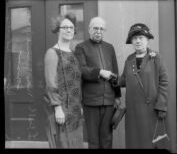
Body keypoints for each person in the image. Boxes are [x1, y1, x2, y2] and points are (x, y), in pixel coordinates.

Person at [112, 23, 169, 149]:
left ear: (147, 40)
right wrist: (115, 79)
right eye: (134, 38)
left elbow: (164, 82)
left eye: (141, 38)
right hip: (133, 110)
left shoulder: (156, 58)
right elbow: (125, 79)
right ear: (131, 41)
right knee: (134, 140)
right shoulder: (129, 59)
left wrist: (161, 105)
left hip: (151, 109)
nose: (138, 41)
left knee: (150, 141)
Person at [74, 17, 121, 149]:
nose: (98, 31)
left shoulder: (109, 47)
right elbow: (81, 70)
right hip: (91, 101)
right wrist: (99, 72)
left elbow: (115, 72)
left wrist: (117, 95)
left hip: (108, 101)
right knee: (93, 141)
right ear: (89, 29)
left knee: (107, 138)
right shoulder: (81, 47)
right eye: (95, 28)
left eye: (101, 28)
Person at [43, 13, 83, 148]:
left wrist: (79, 105)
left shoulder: (73, 54)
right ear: (58, 29)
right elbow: (51, 83)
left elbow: (76, 81)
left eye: (71, 28)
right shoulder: (52, 53)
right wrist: (57, 108)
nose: (69, 30)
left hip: (75, 110)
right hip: (61, 110)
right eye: (65, 27)